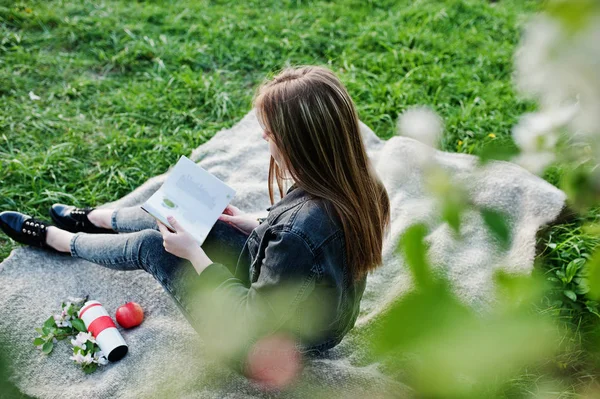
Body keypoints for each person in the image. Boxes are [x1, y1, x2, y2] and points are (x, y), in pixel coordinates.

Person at [0, 65, 390, 370]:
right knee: (188, 211)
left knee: (154, 246)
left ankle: (61, 240)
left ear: (299, 143)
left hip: (269, 343)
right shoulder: (354, 183)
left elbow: (250, 317)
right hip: (312, 313)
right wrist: (251, 224)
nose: (262, 140)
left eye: (268, 134)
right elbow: (315, 256)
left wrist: (195, 255)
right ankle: (97, 219)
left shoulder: (297, 232)